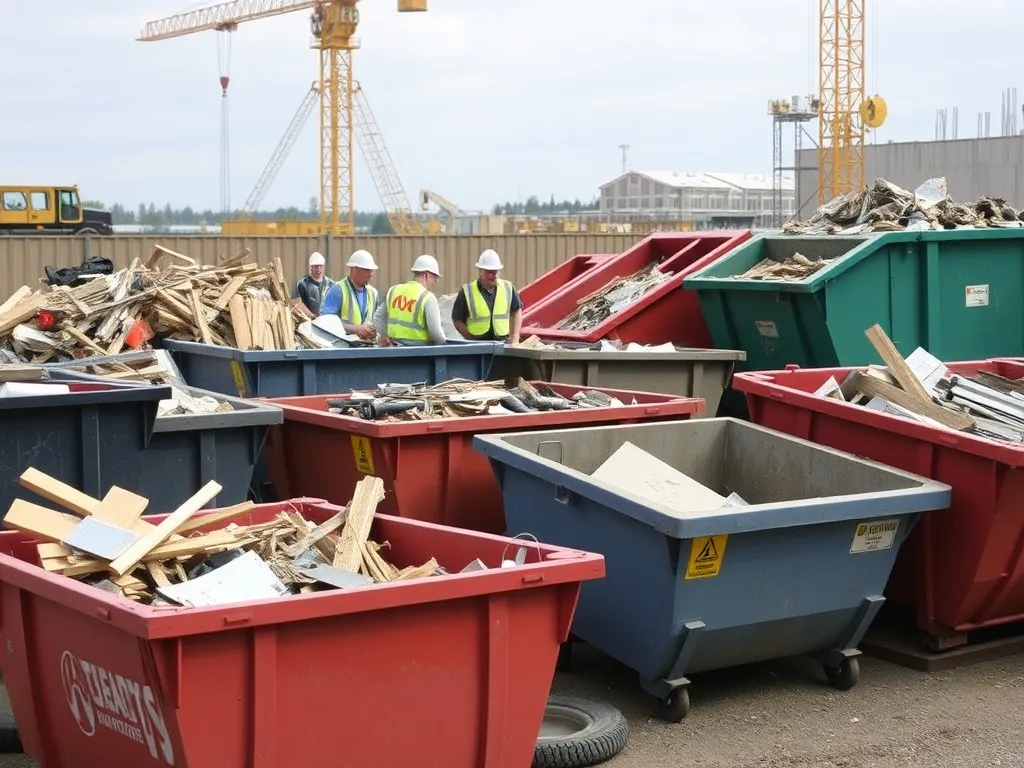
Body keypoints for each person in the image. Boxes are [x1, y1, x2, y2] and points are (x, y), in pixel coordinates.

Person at [451, 248, 523, 344]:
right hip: (477, 347)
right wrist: (470, 339)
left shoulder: (508, 288)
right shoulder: (467, 291)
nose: (495, 275)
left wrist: (515, 337)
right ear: (480, 271)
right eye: (491, 272)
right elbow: (457, 320)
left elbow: (517, 311)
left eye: (496, 271)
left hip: (502, 345)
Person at [373, 254, 447, 346]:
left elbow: (378, 318)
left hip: (393, 351)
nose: (435, 282)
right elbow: (436, 334)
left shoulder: (394, 291)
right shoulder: (428, 298)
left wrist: (386, 339)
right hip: (419, 354)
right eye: (435, 277)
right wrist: (445, 348)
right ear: (426, 275)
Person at [319, 249, 380, 340]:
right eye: (366, 270)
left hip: (367, 348)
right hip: (343, 348)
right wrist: (356, 329)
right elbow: (325, 323)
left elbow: (377, 322)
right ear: (353, 270)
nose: (370, 274)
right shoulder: (338, 290)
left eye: (371, 270)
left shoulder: (373, 293)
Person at [292, 252, 333, 317]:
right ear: (311, 268)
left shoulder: (330, 284)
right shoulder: (302, 284)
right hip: (308, 322)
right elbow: (296, 303)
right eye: (316, 267)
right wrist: (312, 316)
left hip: (326, 322)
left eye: (321, 267)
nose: (319, 270)